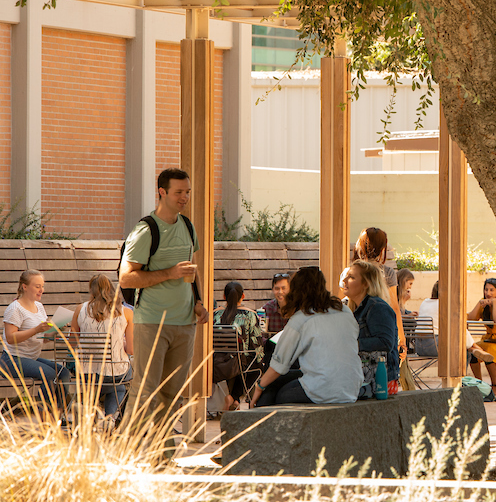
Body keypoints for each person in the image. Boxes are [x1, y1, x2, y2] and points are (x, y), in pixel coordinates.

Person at [119, 167, 207, 430]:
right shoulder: (145, 230)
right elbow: (126, 278)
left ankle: (163, 459)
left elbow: (193, 269)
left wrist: (199, 302)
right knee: (144, 392)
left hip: (185, 324)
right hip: (152, 322)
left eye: (187, 192)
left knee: (171, 396)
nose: (185, 197)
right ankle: (126, 456)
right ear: (162, 192)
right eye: (179, 192)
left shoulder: (188, 226)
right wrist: (169, 273)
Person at [250, 267, 361, 407]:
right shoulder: (344, 310)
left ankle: (260, 420)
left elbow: (279, 365)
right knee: (281, 381)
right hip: (352, 386)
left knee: (273, 392)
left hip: (322, 389)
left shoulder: (301, 318)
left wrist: (259, 387)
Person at [2, 270, 70, 415]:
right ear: (24, 287)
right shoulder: (15, 309)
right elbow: (10, 338)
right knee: (50, 374)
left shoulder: (39, 307)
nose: (41, 290)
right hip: (12, 359)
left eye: (42, 286)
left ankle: (57, 413)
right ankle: (43, 414)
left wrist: (57, 329)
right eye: (37, 286)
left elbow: (44, 338)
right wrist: (37, 329)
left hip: (31, 358)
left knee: (63, 373)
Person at [70, 273, 134, 420]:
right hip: (115, 373)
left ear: (91, 291)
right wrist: (119, 343)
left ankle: (90, 416)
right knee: (119, 385)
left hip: (86, 374)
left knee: (94, 383)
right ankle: (110, 418)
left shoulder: (80, 309)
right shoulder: (127, 313)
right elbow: (130, 350)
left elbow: (72, 343)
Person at [340, 260, 401, 391]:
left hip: (380, 382)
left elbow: (386, 342)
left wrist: (352, 344)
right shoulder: (349, 307)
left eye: (351, 277)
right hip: (359, 376)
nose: (344, 280)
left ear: (365, 284)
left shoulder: (377, 307)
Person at [212, 281, 265, 412]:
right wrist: (262, 361)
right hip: (241, 364)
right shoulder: (250, 315)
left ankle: (233, 398)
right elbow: (256, 342)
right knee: (254, 364)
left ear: (224, 297)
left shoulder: (215, 314)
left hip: (216, 364)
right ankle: (234, 398)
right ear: (243, 296)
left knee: (238, 360)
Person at [467, 278, 496, 392]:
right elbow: (471, 318)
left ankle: (495, 385)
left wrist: (494, 302)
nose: (488, 293)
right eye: (486, 290)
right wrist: (479, 304)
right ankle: (479, 383)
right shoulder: (483, 302)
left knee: (488, 353)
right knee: (472, 351)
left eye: (491, 290)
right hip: (488, 339)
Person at [353, 227, 401, 322]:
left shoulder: (349, 272)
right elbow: (394, 307)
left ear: (360, 246)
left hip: (353, 324)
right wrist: (401, 337)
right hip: (379, 323)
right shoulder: (388, 273)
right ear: (382, 249)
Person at [414, 281, 439, 357]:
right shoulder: (443, 304)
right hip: (434, 346)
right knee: (463, 351)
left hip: (418, 347)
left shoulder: (425, 302)